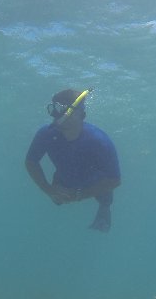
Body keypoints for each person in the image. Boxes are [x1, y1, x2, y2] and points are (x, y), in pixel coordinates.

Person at [25, 89, 121, 232]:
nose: (57, 115)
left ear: (81, 115)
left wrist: (80, 195)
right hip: (64, 179)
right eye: (55, 109)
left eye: (63, 109)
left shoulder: (99, 141)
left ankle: (104, 209)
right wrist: (47, 189)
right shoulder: (46, 134)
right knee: (57, 201)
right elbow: (31, 161)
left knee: (105, 198)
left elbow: (114, 180)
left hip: (94, 182)